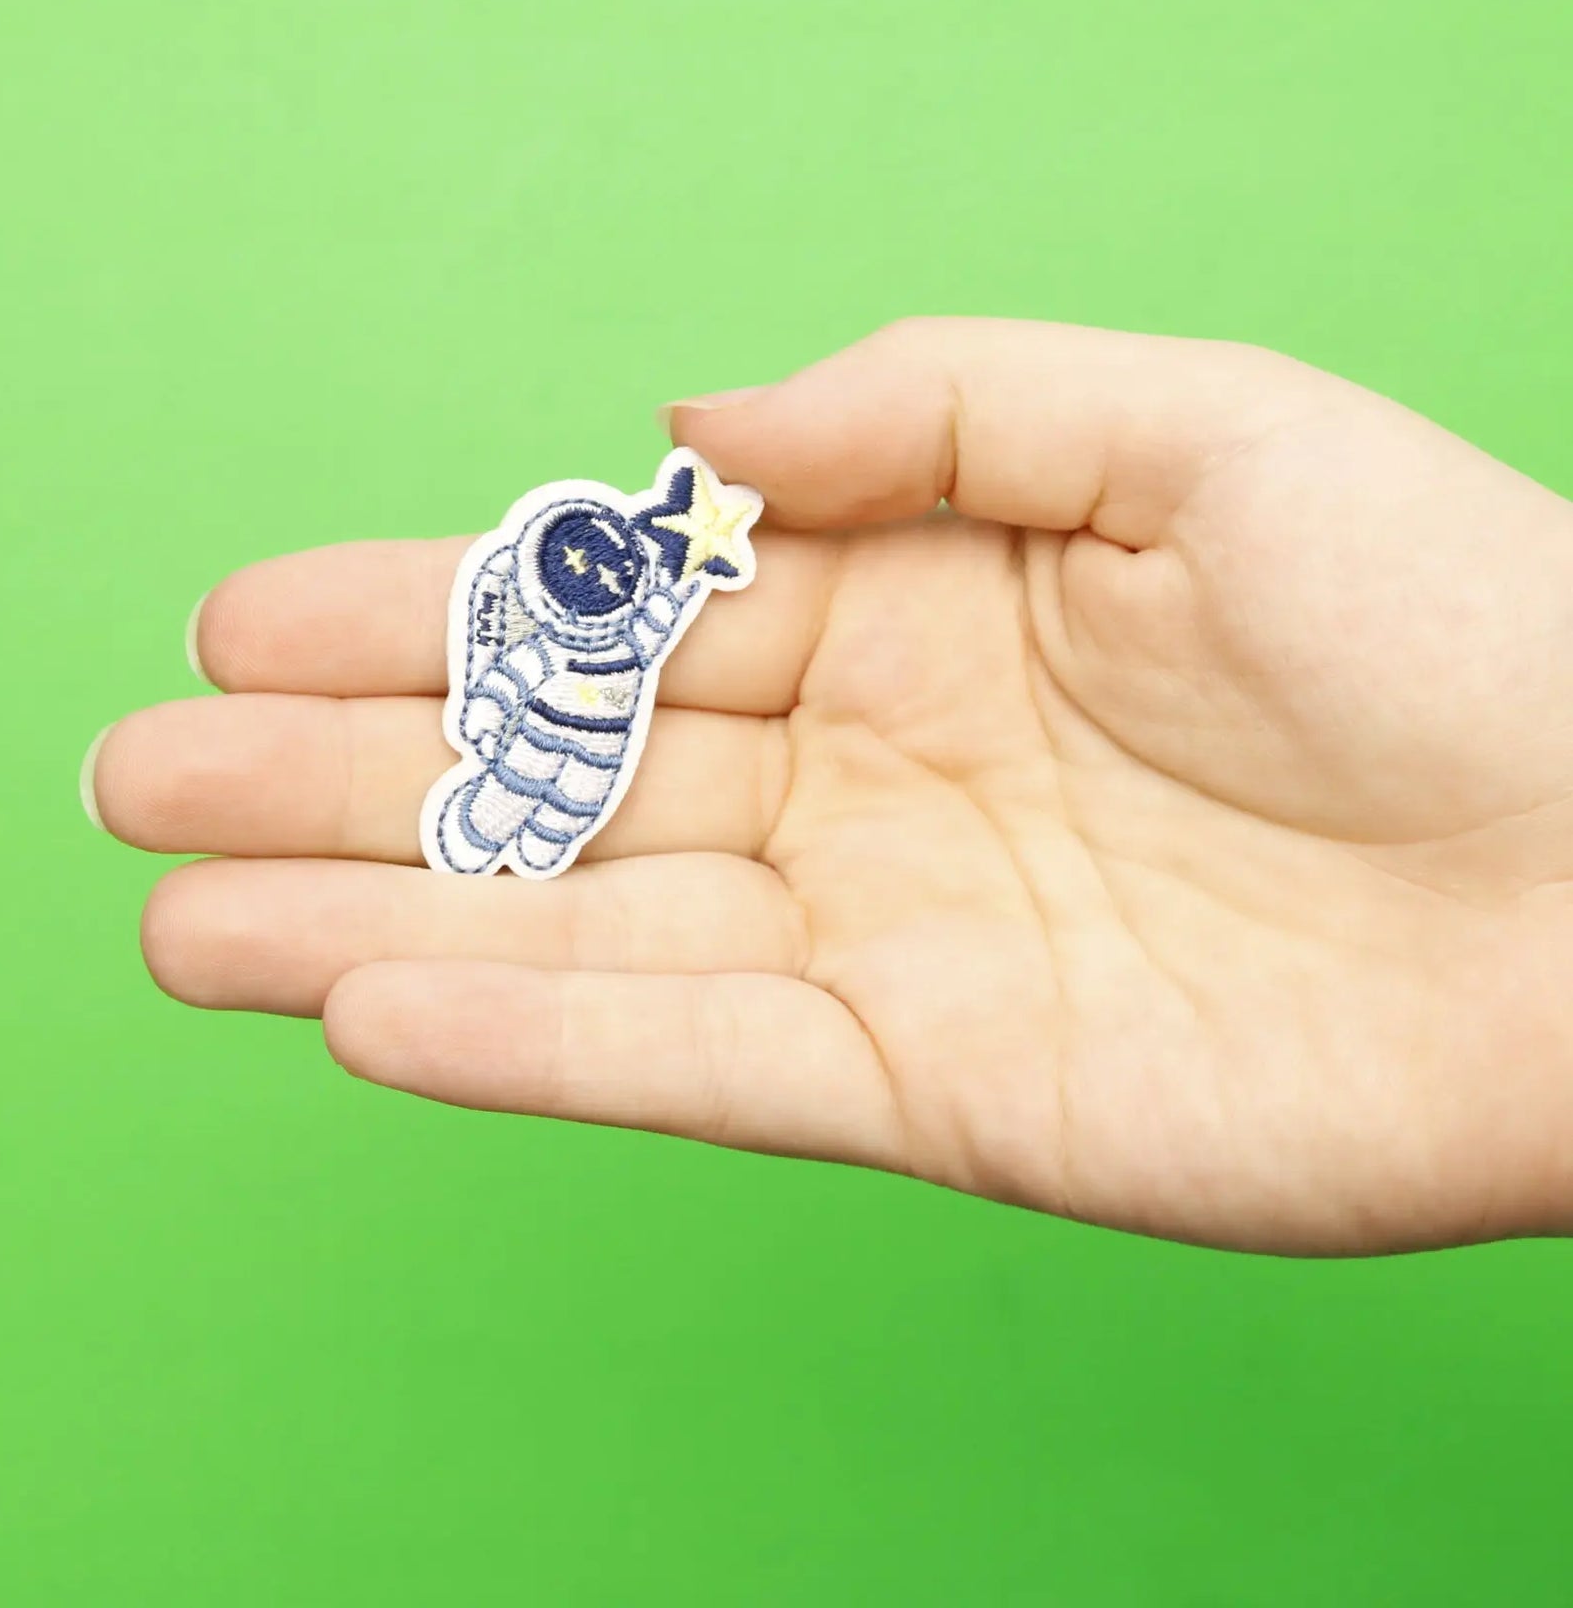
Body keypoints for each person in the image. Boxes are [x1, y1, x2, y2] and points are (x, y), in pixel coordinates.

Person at [82, 320, 1573, 1256]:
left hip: (586, 737)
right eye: (588, 565)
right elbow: (548, 632)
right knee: (515, 799)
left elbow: (649, 586)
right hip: (556, 728)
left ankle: (506, 816)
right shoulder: (566, 613)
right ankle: (499, 816)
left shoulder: (646, 594)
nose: (607, 566)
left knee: (538, 795)